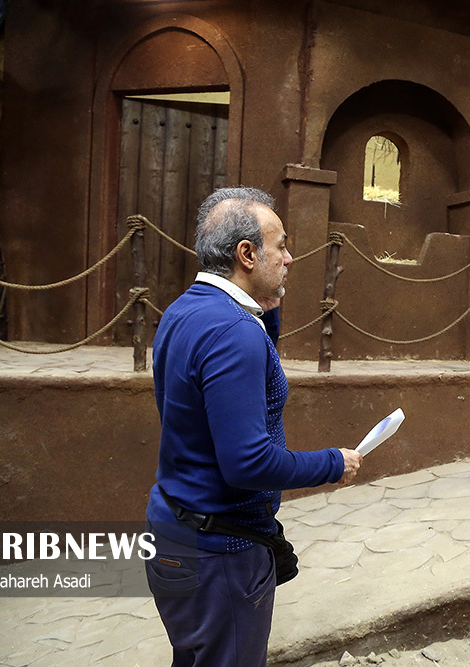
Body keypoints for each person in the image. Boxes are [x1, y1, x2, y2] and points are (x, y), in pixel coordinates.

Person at [144, 186, 363, 666]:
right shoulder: (233, 333)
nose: (289, 258)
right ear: (247, 254)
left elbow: (251, 373)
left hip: (173, 529)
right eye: (280, 246)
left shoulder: (185, 311)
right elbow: (247, 462)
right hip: (219, 551)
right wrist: (333, 463)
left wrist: (266, 309)